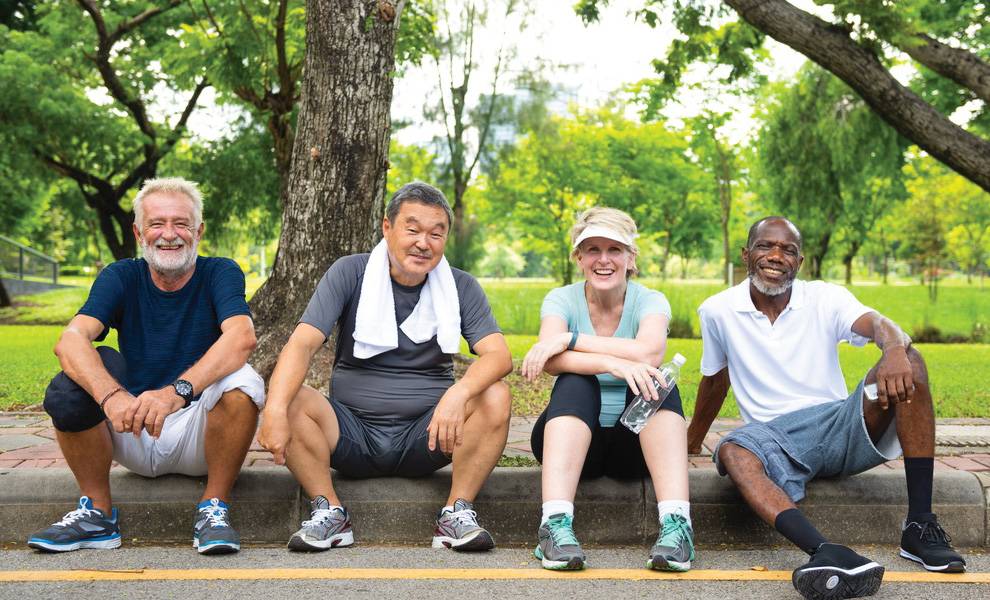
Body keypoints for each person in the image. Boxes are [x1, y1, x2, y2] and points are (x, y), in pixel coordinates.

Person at [688, 216, 967, 600]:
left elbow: (880, 323)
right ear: (746, 254)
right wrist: (691, 442)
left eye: (787, 250)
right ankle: (826, 552)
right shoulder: (717, 310)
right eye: (765, 246)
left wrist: (895, 348)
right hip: (773, 439)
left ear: (799, 262)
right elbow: (716, 380)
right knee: (733, 449)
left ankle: (919, 527)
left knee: (912, 363)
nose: (775, 256)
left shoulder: (825, 297)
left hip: (841, 424)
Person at [259, 181, 512, 552]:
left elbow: (499, 355)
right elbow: (303, 342)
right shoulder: (350, 272)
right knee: (292, 398)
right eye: (412, 229)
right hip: (350, 433)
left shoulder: (460, 285)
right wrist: (275, 409)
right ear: (387, 227)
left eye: (435, 233)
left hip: (427, 436)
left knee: (494, 395)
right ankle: (329, 512)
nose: (423, 243)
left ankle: (456, 513)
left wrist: (459, 393)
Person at [28, 177, 265, 555]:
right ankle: (98, 516)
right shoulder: (120, 275)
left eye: (181, 224)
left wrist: (177, 393)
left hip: (198, 434)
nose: (169, 235)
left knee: (243, 380)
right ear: (139, 232)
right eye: (157, 224)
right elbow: (70, 340)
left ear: (199, 231)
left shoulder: (220, 272)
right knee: (74, 381)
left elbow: (242, 337)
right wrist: (112, 397)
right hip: (133, 427)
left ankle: (214, 508)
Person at [520, 207, 693, 571]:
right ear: (579, 258)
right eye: (593, 249)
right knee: (575, 380)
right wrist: (612, 363)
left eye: (614, 249)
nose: (603, 259)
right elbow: (549, 360)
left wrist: (571, 339)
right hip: (573, 444)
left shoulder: (650, 300)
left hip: (636, 448)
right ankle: (553, 526)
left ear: (631, 258)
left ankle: (678, 527)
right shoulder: (561, 299)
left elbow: (649, 351)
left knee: (656, 380)